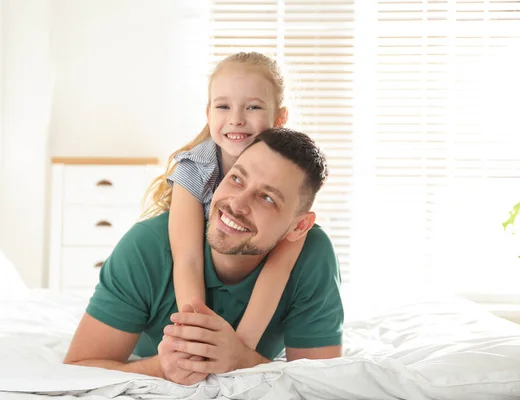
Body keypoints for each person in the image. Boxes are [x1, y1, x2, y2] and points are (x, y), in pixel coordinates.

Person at [64, 128, 344, 385]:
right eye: (236, 179)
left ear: (298, 227)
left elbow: (321, 385)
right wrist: (160, 368)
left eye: (267, 198)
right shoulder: (147, 247)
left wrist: (241, 360)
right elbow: (79, 368)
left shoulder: (312, 256)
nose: (237, 204)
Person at [142, 51, 305, 351]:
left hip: (250, 299)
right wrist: (196, 336)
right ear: (208, 113)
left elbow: (277, 269)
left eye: (253, 106)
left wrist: (241, 350)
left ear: (280, 118)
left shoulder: (292, 177)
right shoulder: (192, 170)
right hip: (185, 294)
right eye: (223, 106)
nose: (236, 119)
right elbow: (188, 261)